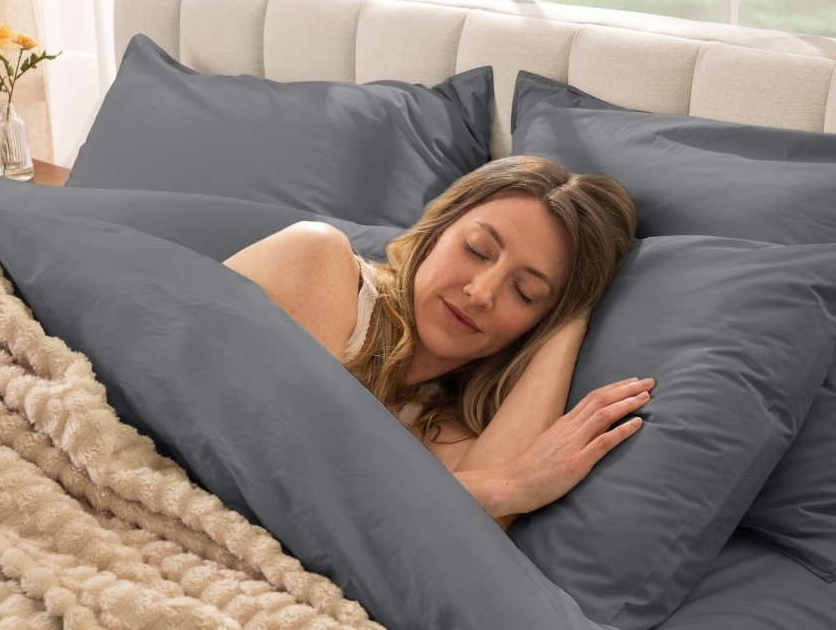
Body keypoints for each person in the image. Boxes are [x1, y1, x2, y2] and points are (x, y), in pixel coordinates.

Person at [224, 155, 650, 528]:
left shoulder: (443, 427)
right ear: (438, 230)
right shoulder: (316, 257)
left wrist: (570, 319)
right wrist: (511, 485)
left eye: (525, 293)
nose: (481, 293)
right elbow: (294, 483)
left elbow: (468, 541)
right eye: (477, 250)